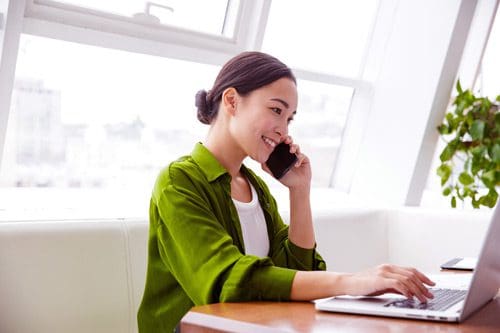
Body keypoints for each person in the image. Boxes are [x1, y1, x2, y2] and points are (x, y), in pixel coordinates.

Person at [137, 51, 435, 332]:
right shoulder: (179, 181)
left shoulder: (255, 187)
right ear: (232, 101)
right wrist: (351, 282)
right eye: (276, 110)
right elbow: (228, 282)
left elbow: (295, 271)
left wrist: (299, 191)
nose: (283, 129)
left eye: (289, 118)